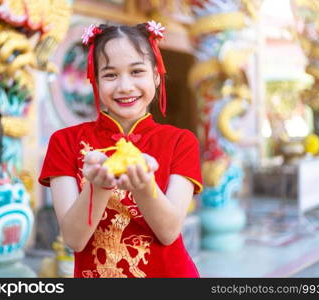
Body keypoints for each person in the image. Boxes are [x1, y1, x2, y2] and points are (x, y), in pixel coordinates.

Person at [38, 21, 203, 278]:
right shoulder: (65, 141)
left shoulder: (181, 141)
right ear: (95, 81)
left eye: (137, 72)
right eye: (110, 75)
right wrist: (97, 186)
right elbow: (74, 239)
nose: (125, 86)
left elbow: (169, 231)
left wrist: (143, 186)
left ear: (156, 77)